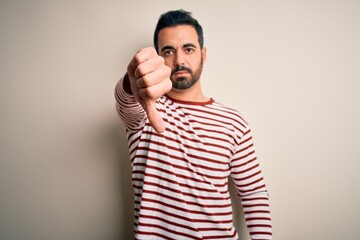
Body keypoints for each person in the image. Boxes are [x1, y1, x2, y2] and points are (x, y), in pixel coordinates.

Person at [115, 9, 272, 240]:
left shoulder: (234, 123)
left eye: (188, 49)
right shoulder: (145, 110)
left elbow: (254, 194)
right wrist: (131, 81)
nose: (179, 60)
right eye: (168, 51)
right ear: (157, 58)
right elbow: (126, 100)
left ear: (203, 54)